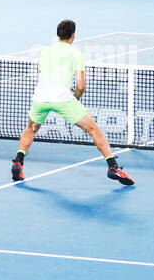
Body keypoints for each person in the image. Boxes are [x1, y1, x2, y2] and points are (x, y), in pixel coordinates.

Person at [11, 19, 135, 186]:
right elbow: (81, 86)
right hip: (63, 99)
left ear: (58, 34)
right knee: (94, 130)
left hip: (40, 97)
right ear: (73, 35)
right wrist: (75, 97)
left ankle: (18, 161)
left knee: (31, 129)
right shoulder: (76, 54)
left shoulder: (45, 52)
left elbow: (44, 74)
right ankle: (112, 166)